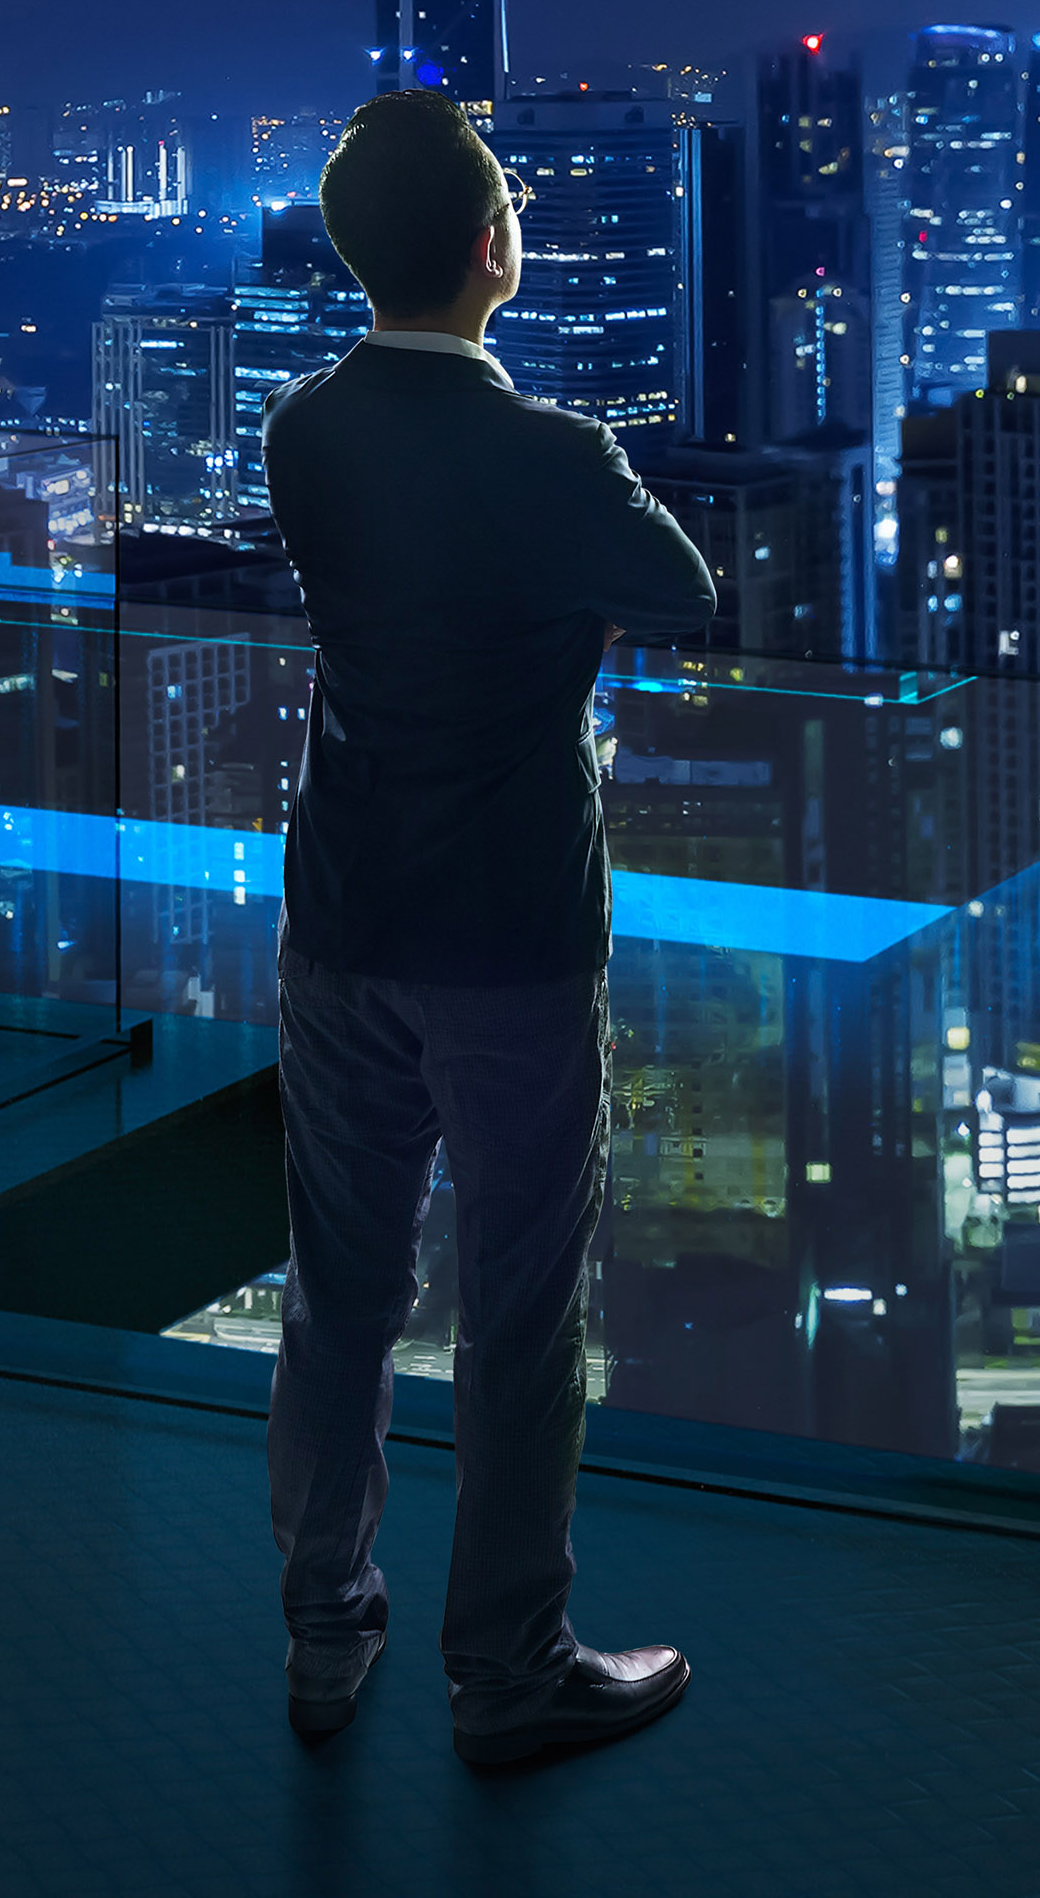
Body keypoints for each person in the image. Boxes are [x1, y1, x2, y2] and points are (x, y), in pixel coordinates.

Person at [258, 87, 718, 1765]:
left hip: (344, 921)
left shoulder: (302, 431)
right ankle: (509, 1665)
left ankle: (326, 1623)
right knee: (521, 1306)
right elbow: (686, 592)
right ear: (492, 250)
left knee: (342, 1288)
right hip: (511, 940)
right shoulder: (550, 457)